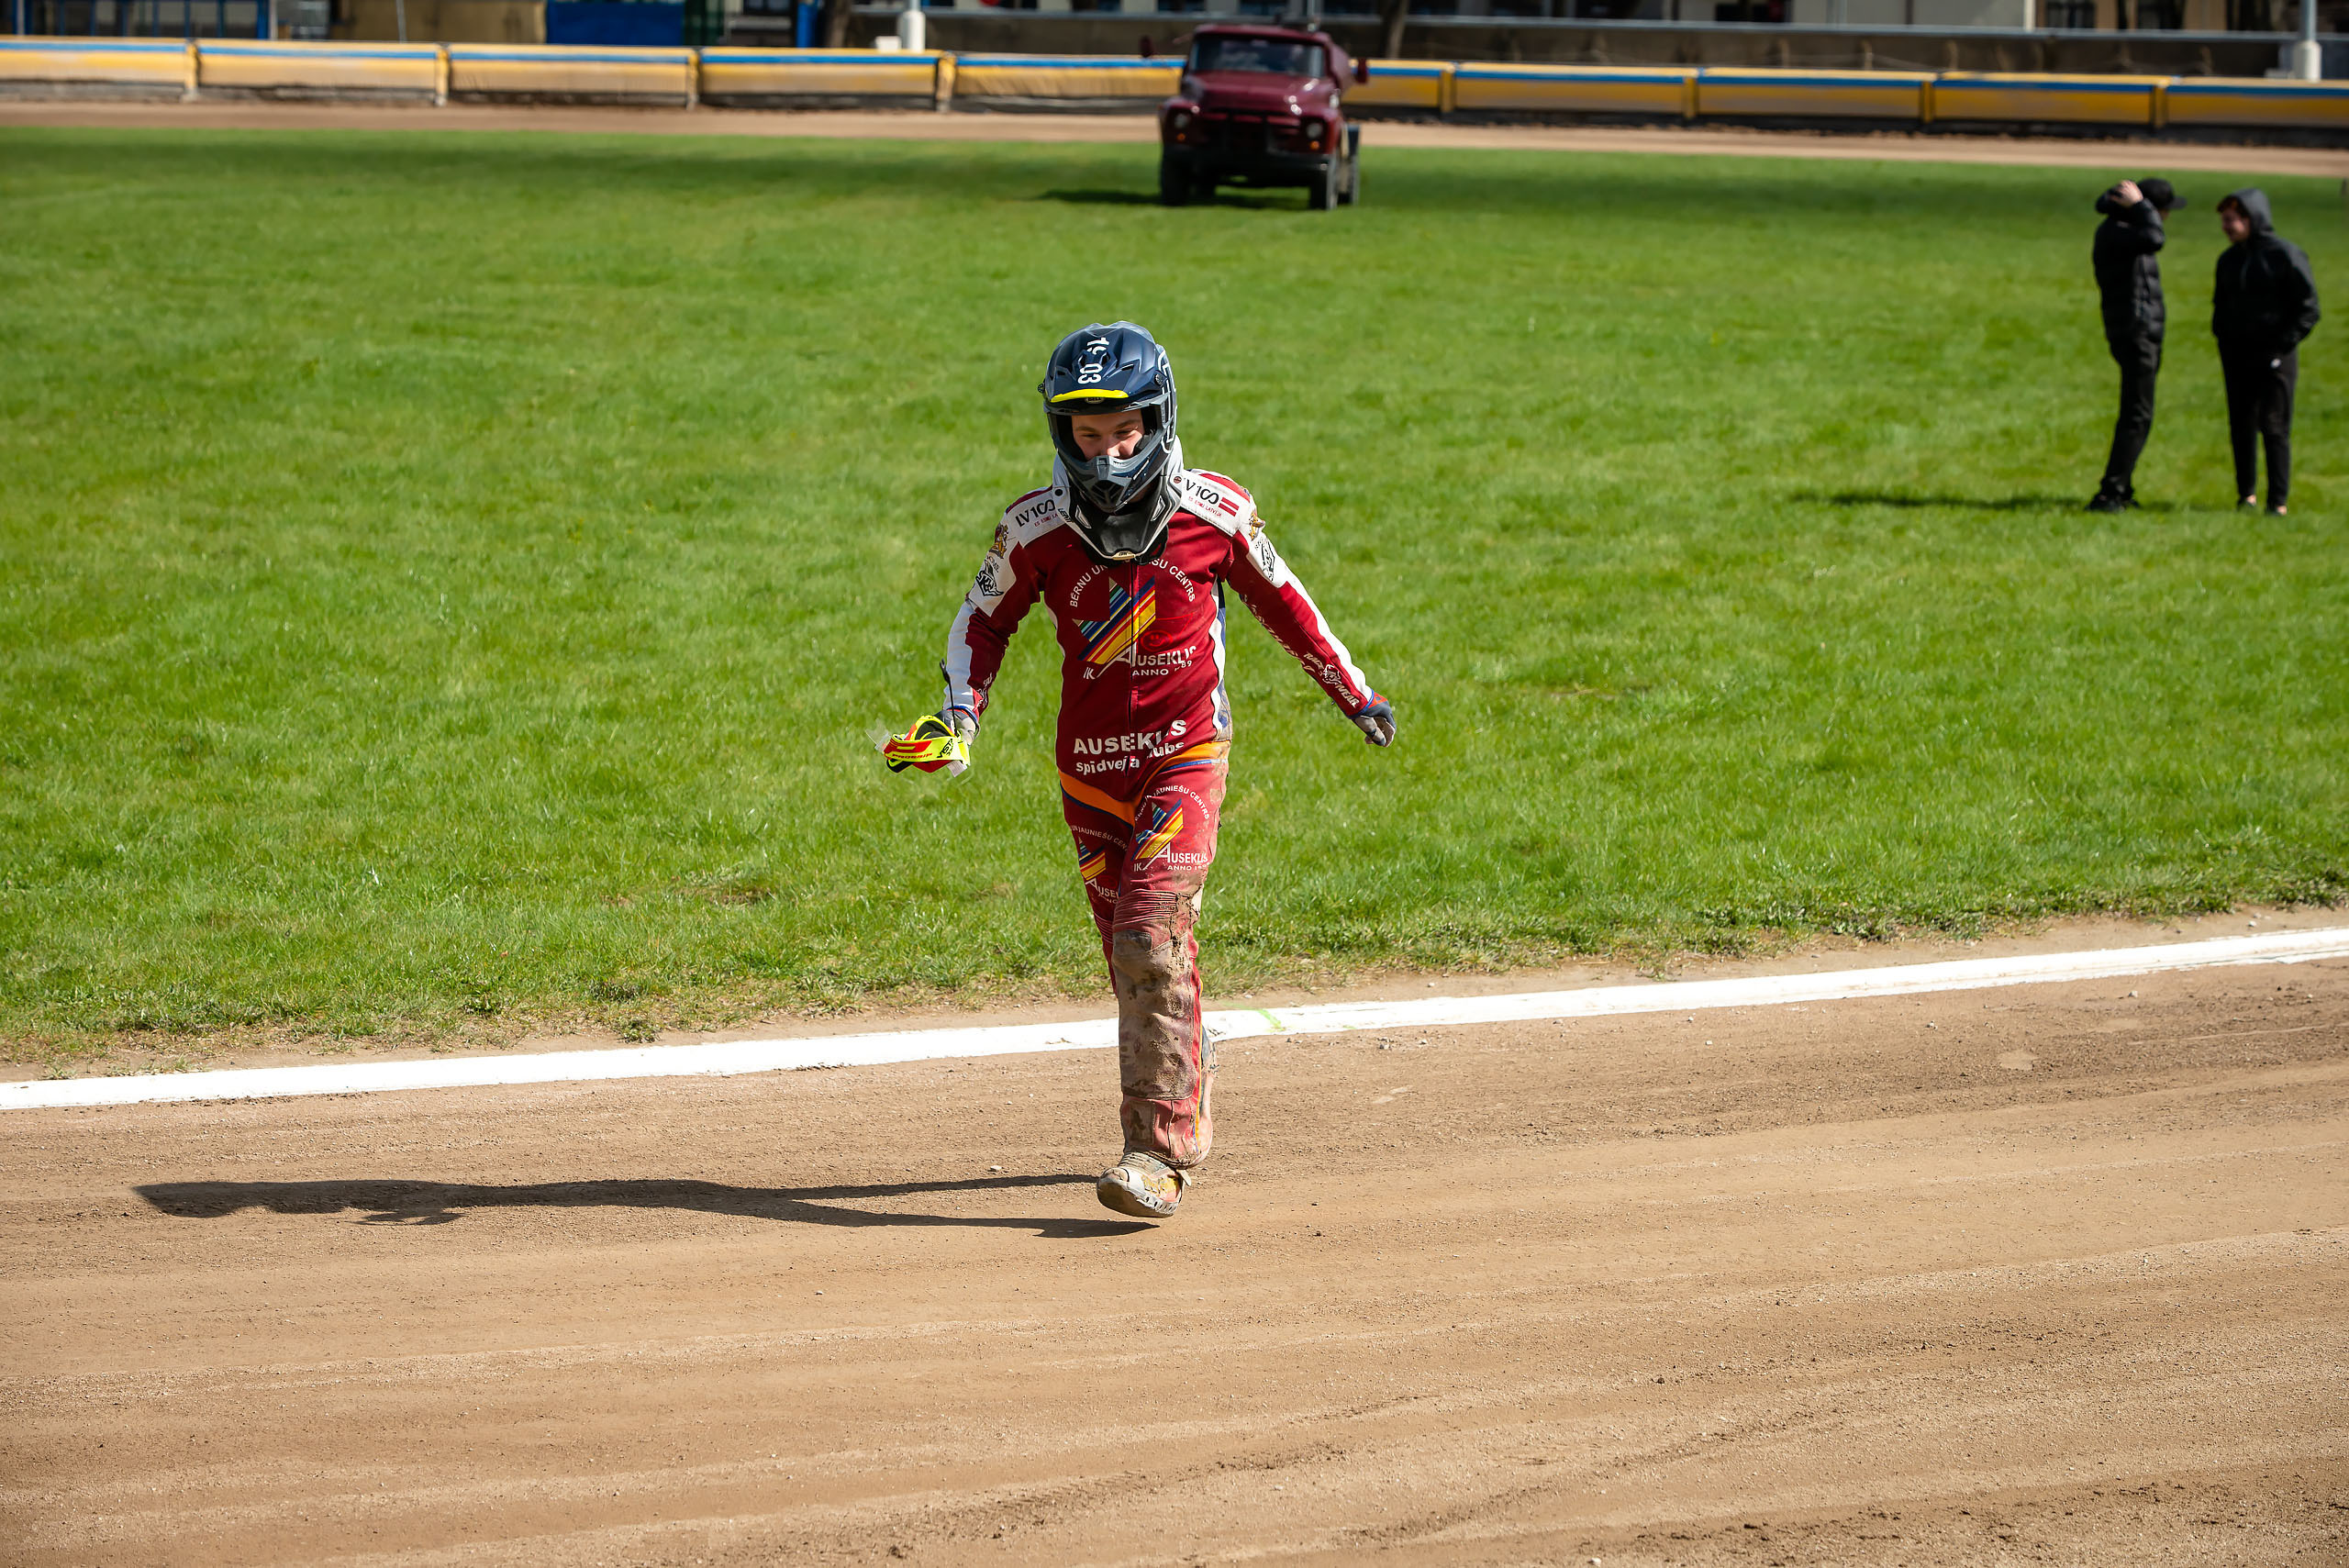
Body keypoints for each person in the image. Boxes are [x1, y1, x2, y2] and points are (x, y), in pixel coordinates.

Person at [929, 322, 1394, 1220]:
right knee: (1136, 960)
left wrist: (1354, 693)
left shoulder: (1213, 512)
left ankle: (1158, 1152)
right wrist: (959, 718)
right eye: (1088, 435)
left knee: (1149, 938)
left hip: (1187, 755)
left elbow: (1287, 602)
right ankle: (1188, 1062)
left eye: (1125, 430)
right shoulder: (1035, 528)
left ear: (1159, 416)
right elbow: (979, 622)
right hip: (1090, 775)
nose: (1108, 453)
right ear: (1062, 434)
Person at [2213, 188, 2321, 516]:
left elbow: (2308, 308)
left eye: (2231, 220)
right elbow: (2221, 306)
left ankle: (2278, 502)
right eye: (2224, 221)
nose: (2226, 227)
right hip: (2237, 356)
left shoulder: (2285, 255)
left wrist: (2282, 346)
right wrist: (2223, 338)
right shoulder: (2229, 260)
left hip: (2276, 356)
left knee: (2274, 427)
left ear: (2251, 219)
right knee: (2241, 427)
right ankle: (2246, 495)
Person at [2087, 177, 2178, 513]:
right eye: (2165, 209)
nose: (2167, 216)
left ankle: (2120, 488)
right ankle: (2110, 493)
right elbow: (2155, 238)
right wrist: (2142, 208)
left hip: (2139, 331)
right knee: (2137, 414)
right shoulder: (2119, 232)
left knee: (2137, 413)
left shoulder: (2125, 231)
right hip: (2135, 332)